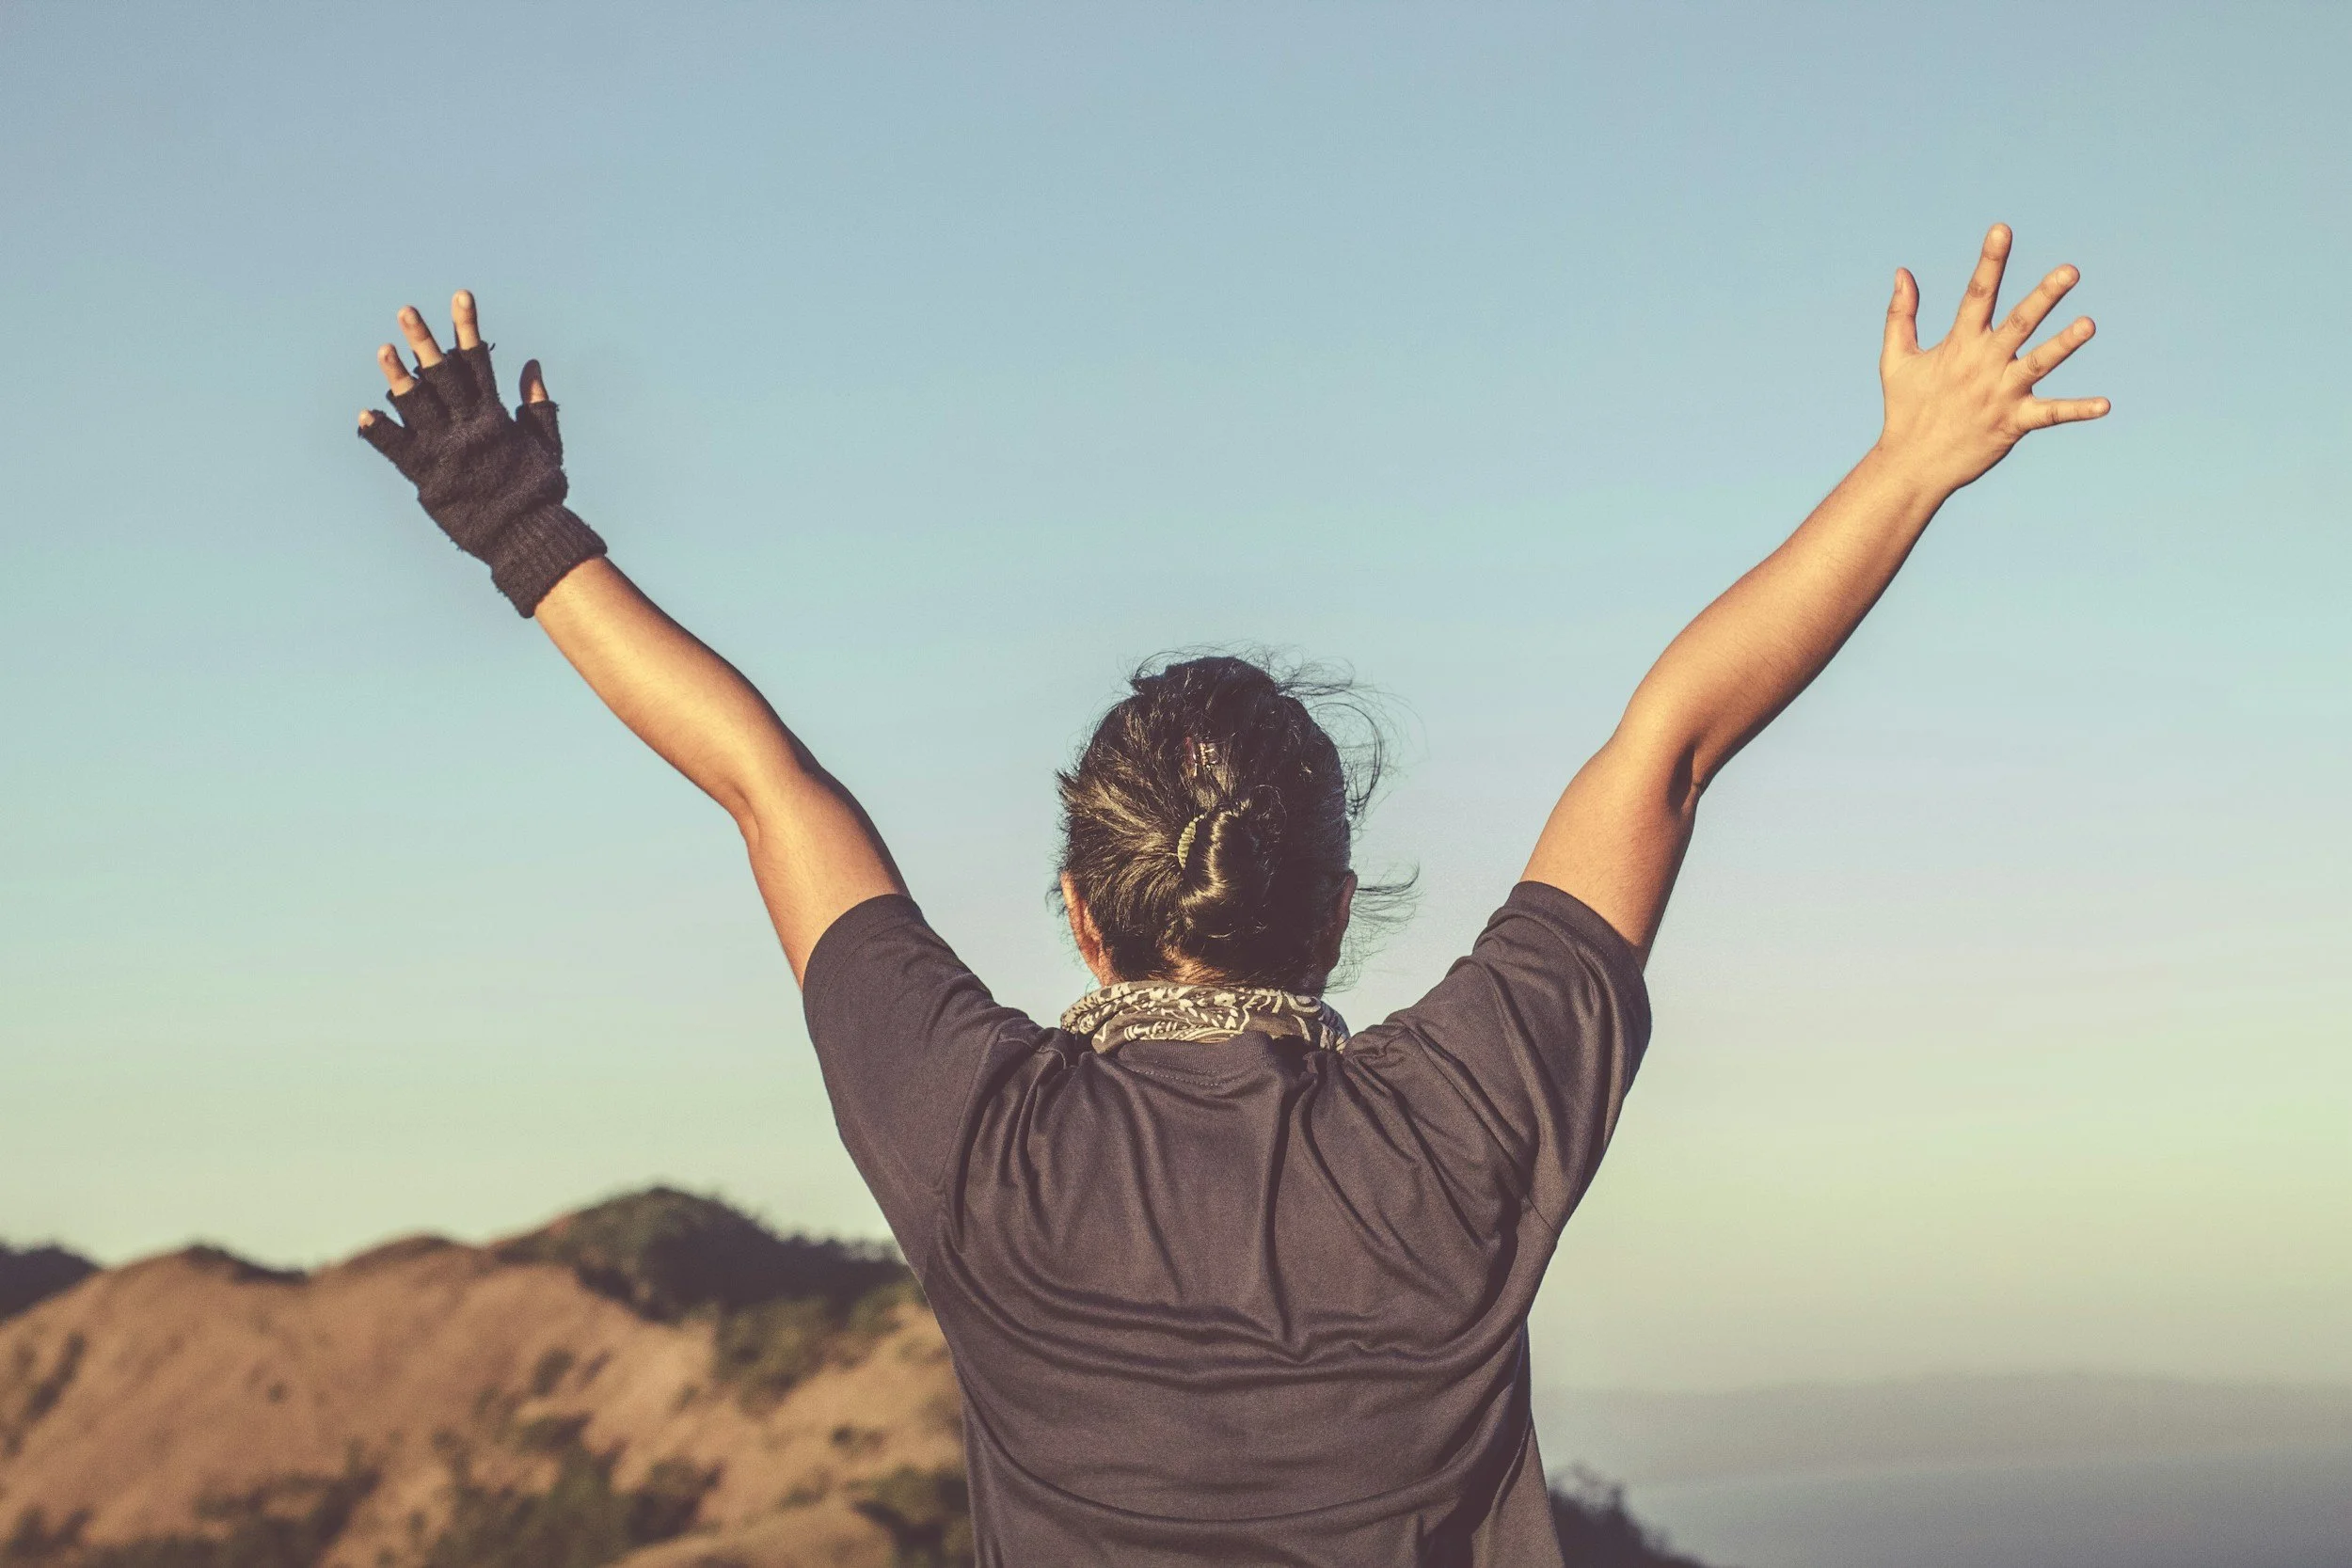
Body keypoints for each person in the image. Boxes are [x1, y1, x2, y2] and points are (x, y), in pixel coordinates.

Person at [355, 225, 2105, 1566]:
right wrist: (1912, 461)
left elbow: (766, 784)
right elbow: (1670, 749)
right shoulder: (1455, 1132)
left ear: (1079, 907)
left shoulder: (983, 1142)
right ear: (1335, 908)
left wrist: (517, 526)